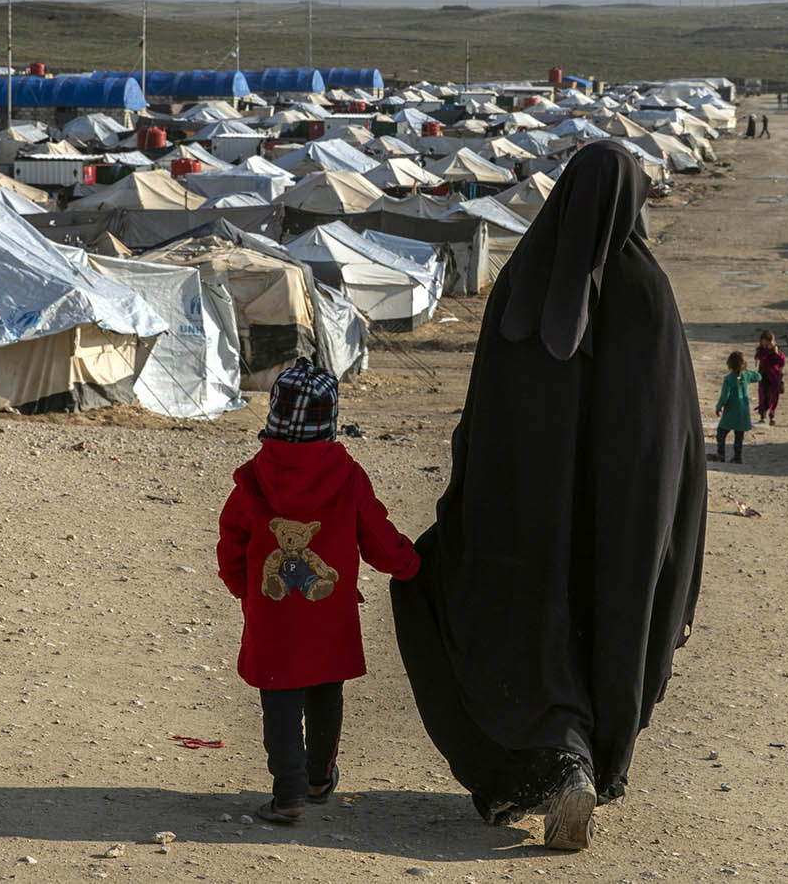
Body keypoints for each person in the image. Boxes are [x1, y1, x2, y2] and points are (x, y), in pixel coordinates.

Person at [392, 142, 705, 852]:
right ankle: (582, 766)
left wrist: (467, 504)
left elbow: (480, 421)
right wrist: (677, 545)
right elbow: (679, 445)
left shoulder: (521, 286)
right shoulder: (649, 296)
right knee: (610, 624)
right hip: (620, 541)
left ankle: (537, 767)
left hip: (520, 528)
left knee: (468, 604)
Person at [217, 358, 423, 826]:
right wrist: (410, 565)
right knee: (326, 694)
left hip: (272, 620)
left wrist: (244, 591)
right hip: (329, 615)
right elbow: (378, 536)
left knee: (280, 699)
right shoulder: (348, 475)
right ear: (329, 418)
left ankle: (287, 795)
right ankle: (318, 778)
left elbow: (232, 543)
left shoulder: (251, 479)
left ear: (273, 413)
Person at [714, 350, 760, 462]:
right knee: (739, 436)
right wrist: (746, 371)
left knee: (721, 433)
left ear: (729, 364)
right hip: (743, 411)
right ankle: (737, 457)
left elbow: (724, 396)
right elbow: (758, 377)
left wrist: (718, 407)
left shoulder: (728, 379)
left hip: (731, 411)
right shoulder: (747, 375)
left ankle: (721, 455)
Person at [754, 329, 786, 426]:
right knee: (763, 396)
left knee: (773, 396)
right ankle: (762, 415)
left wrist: (776, 352)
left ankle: (772, 415)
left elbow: (782, 362)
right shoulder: (760, 351)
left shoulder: (777, 351)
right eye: (763, 342)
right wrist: (768, 351)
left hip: (774, 378)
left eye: (766, 342)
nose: (765, 345)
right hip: (763, 376)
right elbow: (761, 358)